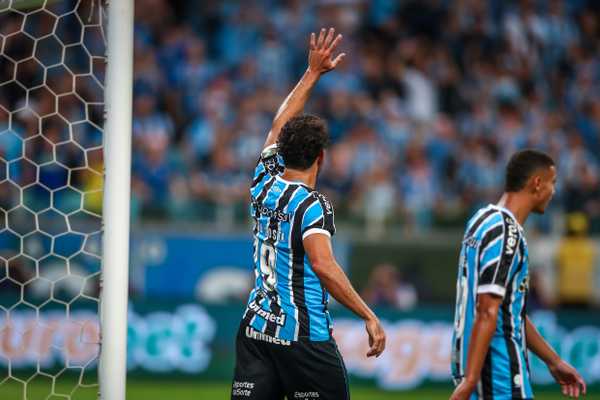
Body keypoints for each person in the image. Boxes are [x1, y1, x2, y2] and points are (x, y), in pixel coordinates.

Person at [231, 28, 386, 400]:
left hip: (256, 330)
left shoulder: (263, 180)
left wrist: (311, 73)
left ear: (282, 152)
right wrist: (368, 313)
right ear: (322, 157)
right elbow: (322, 265)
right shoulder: (312, 205)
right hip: (303, 338)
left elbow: (277, 124)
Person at [450, 150, 587, 400]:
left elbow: (506, 312)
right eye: (552, 183)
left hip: (475, 367)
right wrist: (472, 380)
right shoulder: (506, 232)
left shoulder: (481, 220)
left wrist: (553, 360)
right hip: (499, 373)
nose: (553, 192)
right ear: (537, 183)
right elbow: (487, 310)